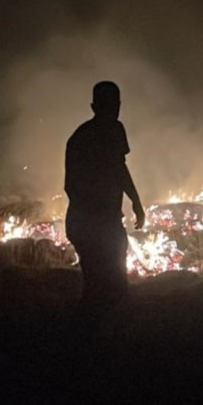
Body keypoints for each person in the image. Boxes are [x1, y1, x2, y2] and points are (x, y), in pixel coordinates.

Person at [65, 81, 145, 310]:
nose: (114, 110)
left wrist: (136, 203)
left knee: (115, 281)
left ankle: (110, 330)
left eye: (116, 105)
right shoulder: (81, 139)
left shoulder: (116, 129)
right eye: (107, 105)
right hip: (87, 222)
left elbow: (120, 168)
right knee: (98, 285)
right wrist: (100, 216)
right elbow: (72, 186)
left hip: (107, 221)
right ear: (94, 107)